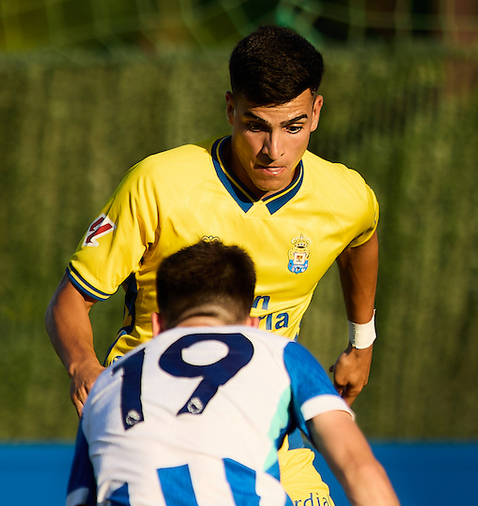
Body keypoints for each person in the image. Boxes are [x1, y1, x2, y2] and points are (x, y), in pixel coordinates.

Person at [47, 25, 379, 505]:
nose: (274, 150)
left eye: (293, 126)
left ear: (316, 113)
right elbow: (70, 299)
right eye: (255, 125)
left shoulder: (345, 196)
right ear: (230, 109)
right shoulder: (159, 184)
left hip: (266, 427)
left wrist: (361, 342)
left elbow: (362, 237)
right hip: (153, 428)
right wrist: (83, 366)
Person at [65, 241, 398, 506]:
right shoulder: (279, 353)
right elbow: (358, 468)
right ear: (252, 327)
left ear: (157, 326)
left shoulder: (106, 385)